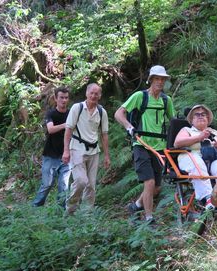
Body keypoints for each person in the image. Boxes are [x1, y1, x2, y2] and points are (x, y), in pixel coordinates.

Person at [115, 65, 176, 224]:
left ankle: (135, 206)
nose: (160, 82)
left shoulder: (166, 100)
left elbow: (174, 121)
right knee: (149, 183)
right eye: (157, 78)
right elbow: (118, 113)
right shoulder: (139, 97)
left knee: (156, 187)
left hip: (160, 147)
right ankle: (149, 218)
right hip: (141, 144)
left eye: (162, 79)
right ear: (151, 80)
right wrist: (129, 127)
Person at [173, 105, 217, 216]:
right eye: (197, 114)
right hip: (190, 157)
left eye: (203, 114)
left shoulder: (213, 132)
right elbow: (177, 143)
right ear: (191, 120)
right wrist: (199, 138)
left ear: (208, 119)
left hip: (211, 160)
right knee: (196, 162)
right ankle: (207, 198)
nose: (200, 116)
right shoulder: (187, 130)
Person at [62, 83, 110, 214]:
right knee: (81, 181)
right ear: (86, 93)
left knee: (91, 185)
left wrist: (106, 156)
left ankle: (86, 215)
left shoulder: (101, 112)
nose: (94, 96)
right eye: (91, 93)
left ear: (100, 96)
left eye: (97, 94)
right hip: (77, 148)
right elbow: (68, 129)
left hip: (94, 151)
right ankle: (70, 209)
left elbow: (104, 134)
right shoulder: (77, 108)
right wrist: (66, 151)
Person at [32, 87, 72, 207]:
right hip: (50, 155)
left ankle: (61, 212)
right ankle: (35, 207)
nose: (64, 100)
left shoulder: (71, 113)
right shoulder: (51, 113)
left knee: (63, 186)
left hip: (66, 155)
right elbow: (50, 129)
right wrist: (66, 125)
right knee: (47, 184)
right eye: (61, 97)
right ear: (55, 98)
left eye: (66, 98)